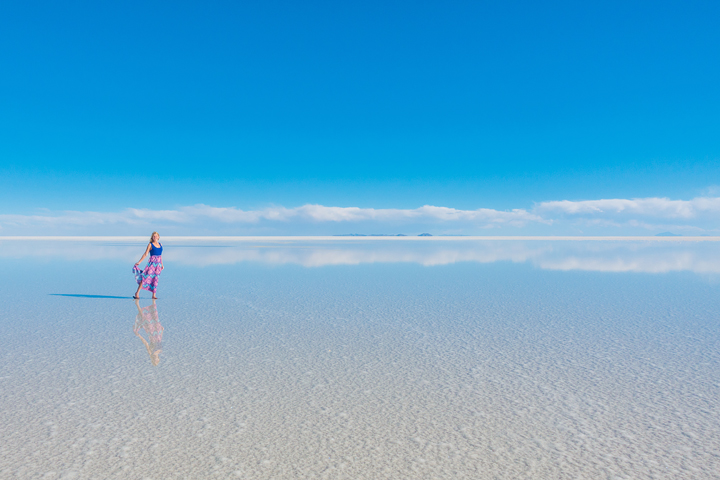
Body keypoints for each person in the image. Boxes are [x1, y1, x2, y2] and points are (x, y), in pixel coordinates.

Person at [133, 231, 164, 299]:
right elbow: (145, 254)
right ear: (152, 238)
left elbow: (160, 256)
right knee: (145, 277)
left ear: (158, 237)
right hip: (152, 264)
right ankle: (137, 293)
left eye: (156, 236)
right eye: (153, 236)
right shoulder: (150, 244)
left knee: (156, 279)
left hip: (158, 265)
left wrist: (162, 264)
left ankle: (153, 295)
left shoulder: (160, 244)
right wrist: (139, 262)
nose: (155, 237)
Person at [133, 298, 163, 366]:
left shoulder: (151, 352)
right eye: (156, 361)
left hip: (151, 333)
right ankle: (153, 301)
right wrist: (162, 331)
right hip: (158, 331)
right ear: (158, 359)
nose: (155, 360)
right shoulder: (160, 351)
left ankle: (137, 304)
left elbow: (146, 343)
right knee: (155, 316)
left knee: (144, 318)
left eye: (154, 361)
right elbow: (160, 340)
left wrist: (139, 336)